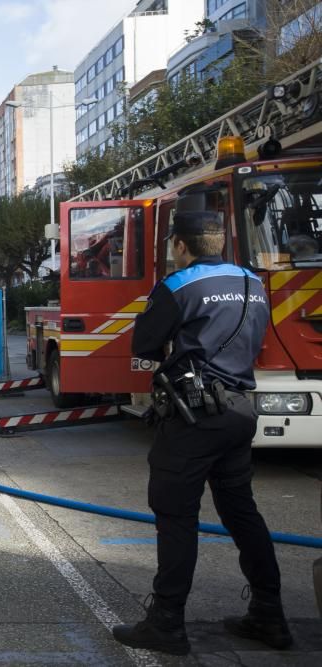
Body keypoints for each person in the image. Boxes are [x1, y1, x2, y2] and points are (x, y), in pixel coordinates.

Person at [113, 210, 289, 655]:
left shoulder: (177, 285)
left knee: (175, 517)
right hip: (237, 412)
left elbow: (144, 346)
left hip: (194, 418)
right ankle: (270, 616)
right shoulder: (254, 282)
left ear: (179, 245)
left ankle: (167, 624)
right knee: (242, 513)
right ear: (221, 241)